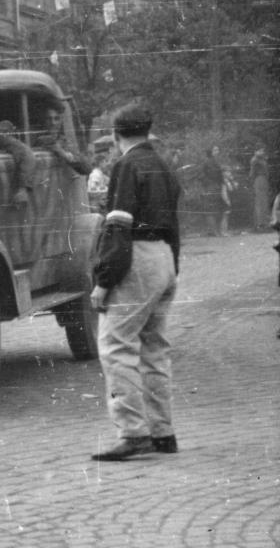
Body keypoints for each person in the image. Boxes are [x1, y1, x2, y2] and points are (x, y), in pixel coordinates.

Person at [89, 104, 182, 461]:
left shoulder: (125, 166)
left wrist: (104, 281)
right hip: (164, 258)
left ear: (116, 136)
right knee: (154, 349)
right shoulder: (163, 165)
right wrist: (173, 266)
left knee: (116, 345)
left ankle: (133, 432)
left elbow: (118, 227)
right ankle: (163, 432)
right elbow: (174, 225)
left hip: (136, 257)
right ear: (148, 132)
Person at [34, 106, 93, 176]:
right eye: (49, 119)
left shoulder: (65, 142)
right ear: (44, 121)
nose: (53, 123)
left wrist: (63, 153)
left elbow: (87, 168)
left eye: (56, 119)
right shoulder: (37, 140)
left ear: (61, 121)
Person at [201, 145, 229, 236]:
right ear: (211, 152)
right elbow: (209, 175)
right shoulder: (209, 162)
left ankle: (215, 231)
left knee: (215, 209)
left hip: (214, 186)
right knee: (211, 209)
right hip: (212, 187)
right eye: (215, 150)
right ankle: (215, 231)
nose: (218, 151)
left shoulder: (214, 161)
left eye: (218, 150)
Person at [249, 147, 271, 232]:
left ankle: (264, 223)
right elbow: (252, 172)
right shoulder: (255, 160)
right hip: (258, 179)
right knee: (259, 202)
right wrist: (252, 182)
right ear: (255, 151)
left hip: (263, 180)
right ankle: (259, 224)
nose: (262, 152)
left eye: (262, 150)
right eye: (260, 150)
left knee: (264, 202)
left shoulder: (261, 159)